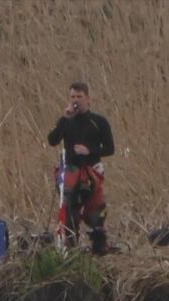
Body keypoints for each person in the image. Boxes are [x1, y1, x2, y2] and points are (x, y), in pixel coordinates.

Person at [47, 82, 115, 254]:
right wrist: (64, 119)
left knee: (96, 213)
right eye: (72, 97)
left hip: (92, 171)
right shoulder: (66, 121)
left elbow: (110, 149)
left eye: (79, 97)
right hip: (70, 170)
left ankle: (100, 248)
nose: (75, 100)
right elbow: (52, 140)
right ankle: (70, 248)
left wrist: (89, 150)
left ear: (88, 99)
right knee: (70, 210)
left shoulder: (98, 122)